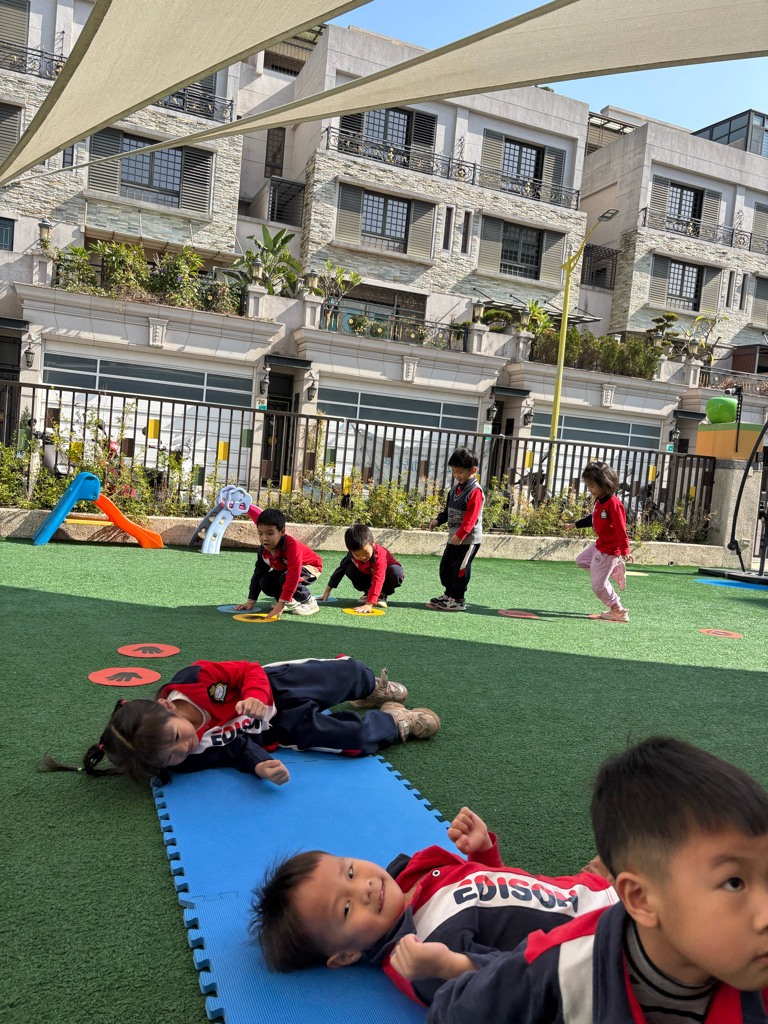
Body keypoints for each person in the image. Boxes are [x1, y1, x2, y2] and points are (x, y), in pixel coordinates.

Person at [426, 737, 768, 1024]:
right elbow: (453, 1012)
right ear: (642, 899)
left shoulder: (752, 962)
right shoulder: (558, 968)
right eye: (734, 883)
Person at [251, 806, 618, 1007]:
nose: (364, 888)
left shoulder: (412, 874)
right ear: (345, 955)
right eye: (345, 909)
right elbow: (514, 981)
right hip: (608, 936)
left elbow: (499, 901)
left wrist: (482, 855)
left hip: (584, 886)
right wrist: (449, 966)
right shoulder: (420, 954)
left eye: (349, 871)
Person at [42, 657, 441, 785]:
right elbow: (232, 749)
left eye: (177, 737)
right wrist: (259, 765)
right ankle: (397, 722)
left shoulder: (194, 680)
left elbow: (247, 669)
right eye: (172, 757)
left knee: (345, 673)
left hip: (275, 686)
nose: (185, 747)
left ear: (166, 708)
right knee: (350, 742)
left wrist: (254, 695)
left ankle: (371, 689)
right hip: (278, 728)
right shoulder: (185, 760)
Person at [567, 461, 634, 623]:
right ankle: (614, 570)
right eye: (588, 486)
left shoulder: (614, 504)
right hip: (600, 544)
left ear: (605, 484)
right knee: (581, 561)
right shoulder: (600, 500)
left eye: (592, 486)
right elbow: (594, 518)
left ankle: (618, 610)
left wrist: (625, 550)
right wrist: (575, 524)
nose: (590, 490)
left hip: (609, 550)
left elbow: (621, 529)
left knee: (598, 586)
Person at [426, 449, 484, 612]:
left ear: (473, 470)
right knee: (446, 567)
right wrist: (439, 520)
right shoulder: (454, 489)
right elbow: (447, 511)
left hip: (468, 539)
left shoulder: (475, 491)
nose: (457, 475)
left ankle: (458, 599)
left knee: (460, 569)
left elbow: (471, 517)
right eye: (454, 472)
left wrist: (462, 534)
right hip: (454, 538)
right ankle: (449, 594)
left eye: (460, 472)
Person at [236, 508, 323, 617]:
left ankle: (309, 602)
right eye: (260, 534)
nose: (264, 538)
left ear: (281, 532)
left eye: (270, 533)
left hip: (311, 567)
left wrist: (281, 603)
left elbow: (293, 574)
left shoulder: (291, 546)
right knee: (265, 582)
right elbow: (259, 573)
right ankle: (289, 600)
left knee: (286, 577)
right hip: (287, 570)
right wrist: (251, 601)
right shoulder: (263, 550)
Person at [321, 523, 404, 613]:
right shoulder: (351, 555)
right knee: (348, 568)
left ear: (373, 542)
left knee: (396, 572)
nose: (362, 557)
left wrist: (369, 604)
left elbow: (379, 577)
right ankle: (368, 591)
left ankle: (382, 594)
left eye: (366, 553)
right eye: (357, 555)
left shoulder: (380, 555)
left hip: (386, 577)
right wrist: (327, 591)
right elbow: (340, 570)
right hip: (368, 575)